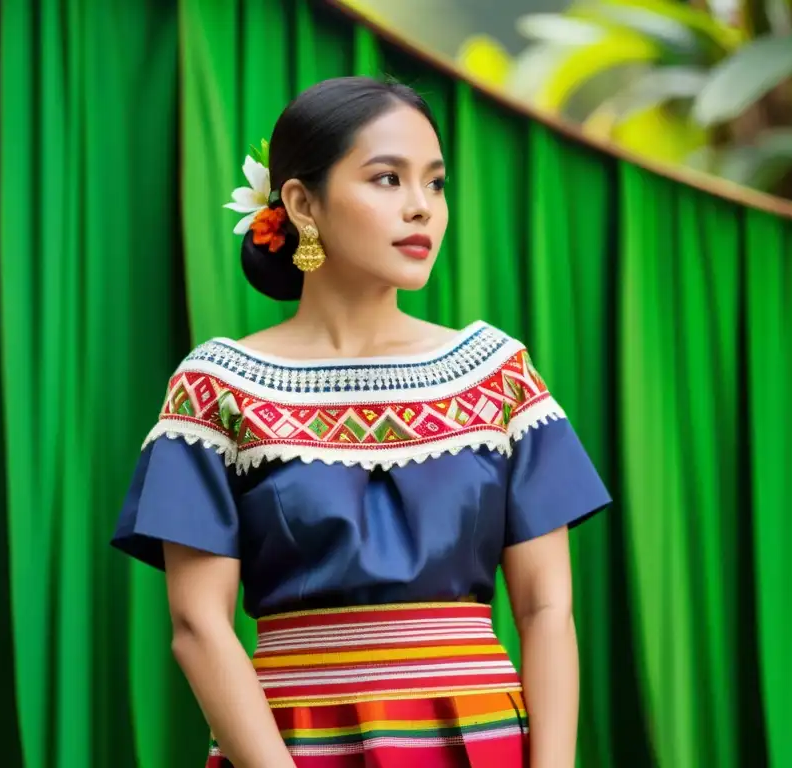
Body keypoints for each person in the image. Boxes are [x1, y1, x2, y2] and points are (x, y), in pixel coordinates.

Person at [112, 76, 611, 768]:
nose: (421, 209)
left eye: (435, 184)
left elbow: (547, 610)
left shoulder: (498, 373)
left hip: (480, 744)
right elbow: (199, 625)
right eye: (387, 179)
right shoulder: (215, 388)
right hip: (288, 750)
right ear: (300, 203)